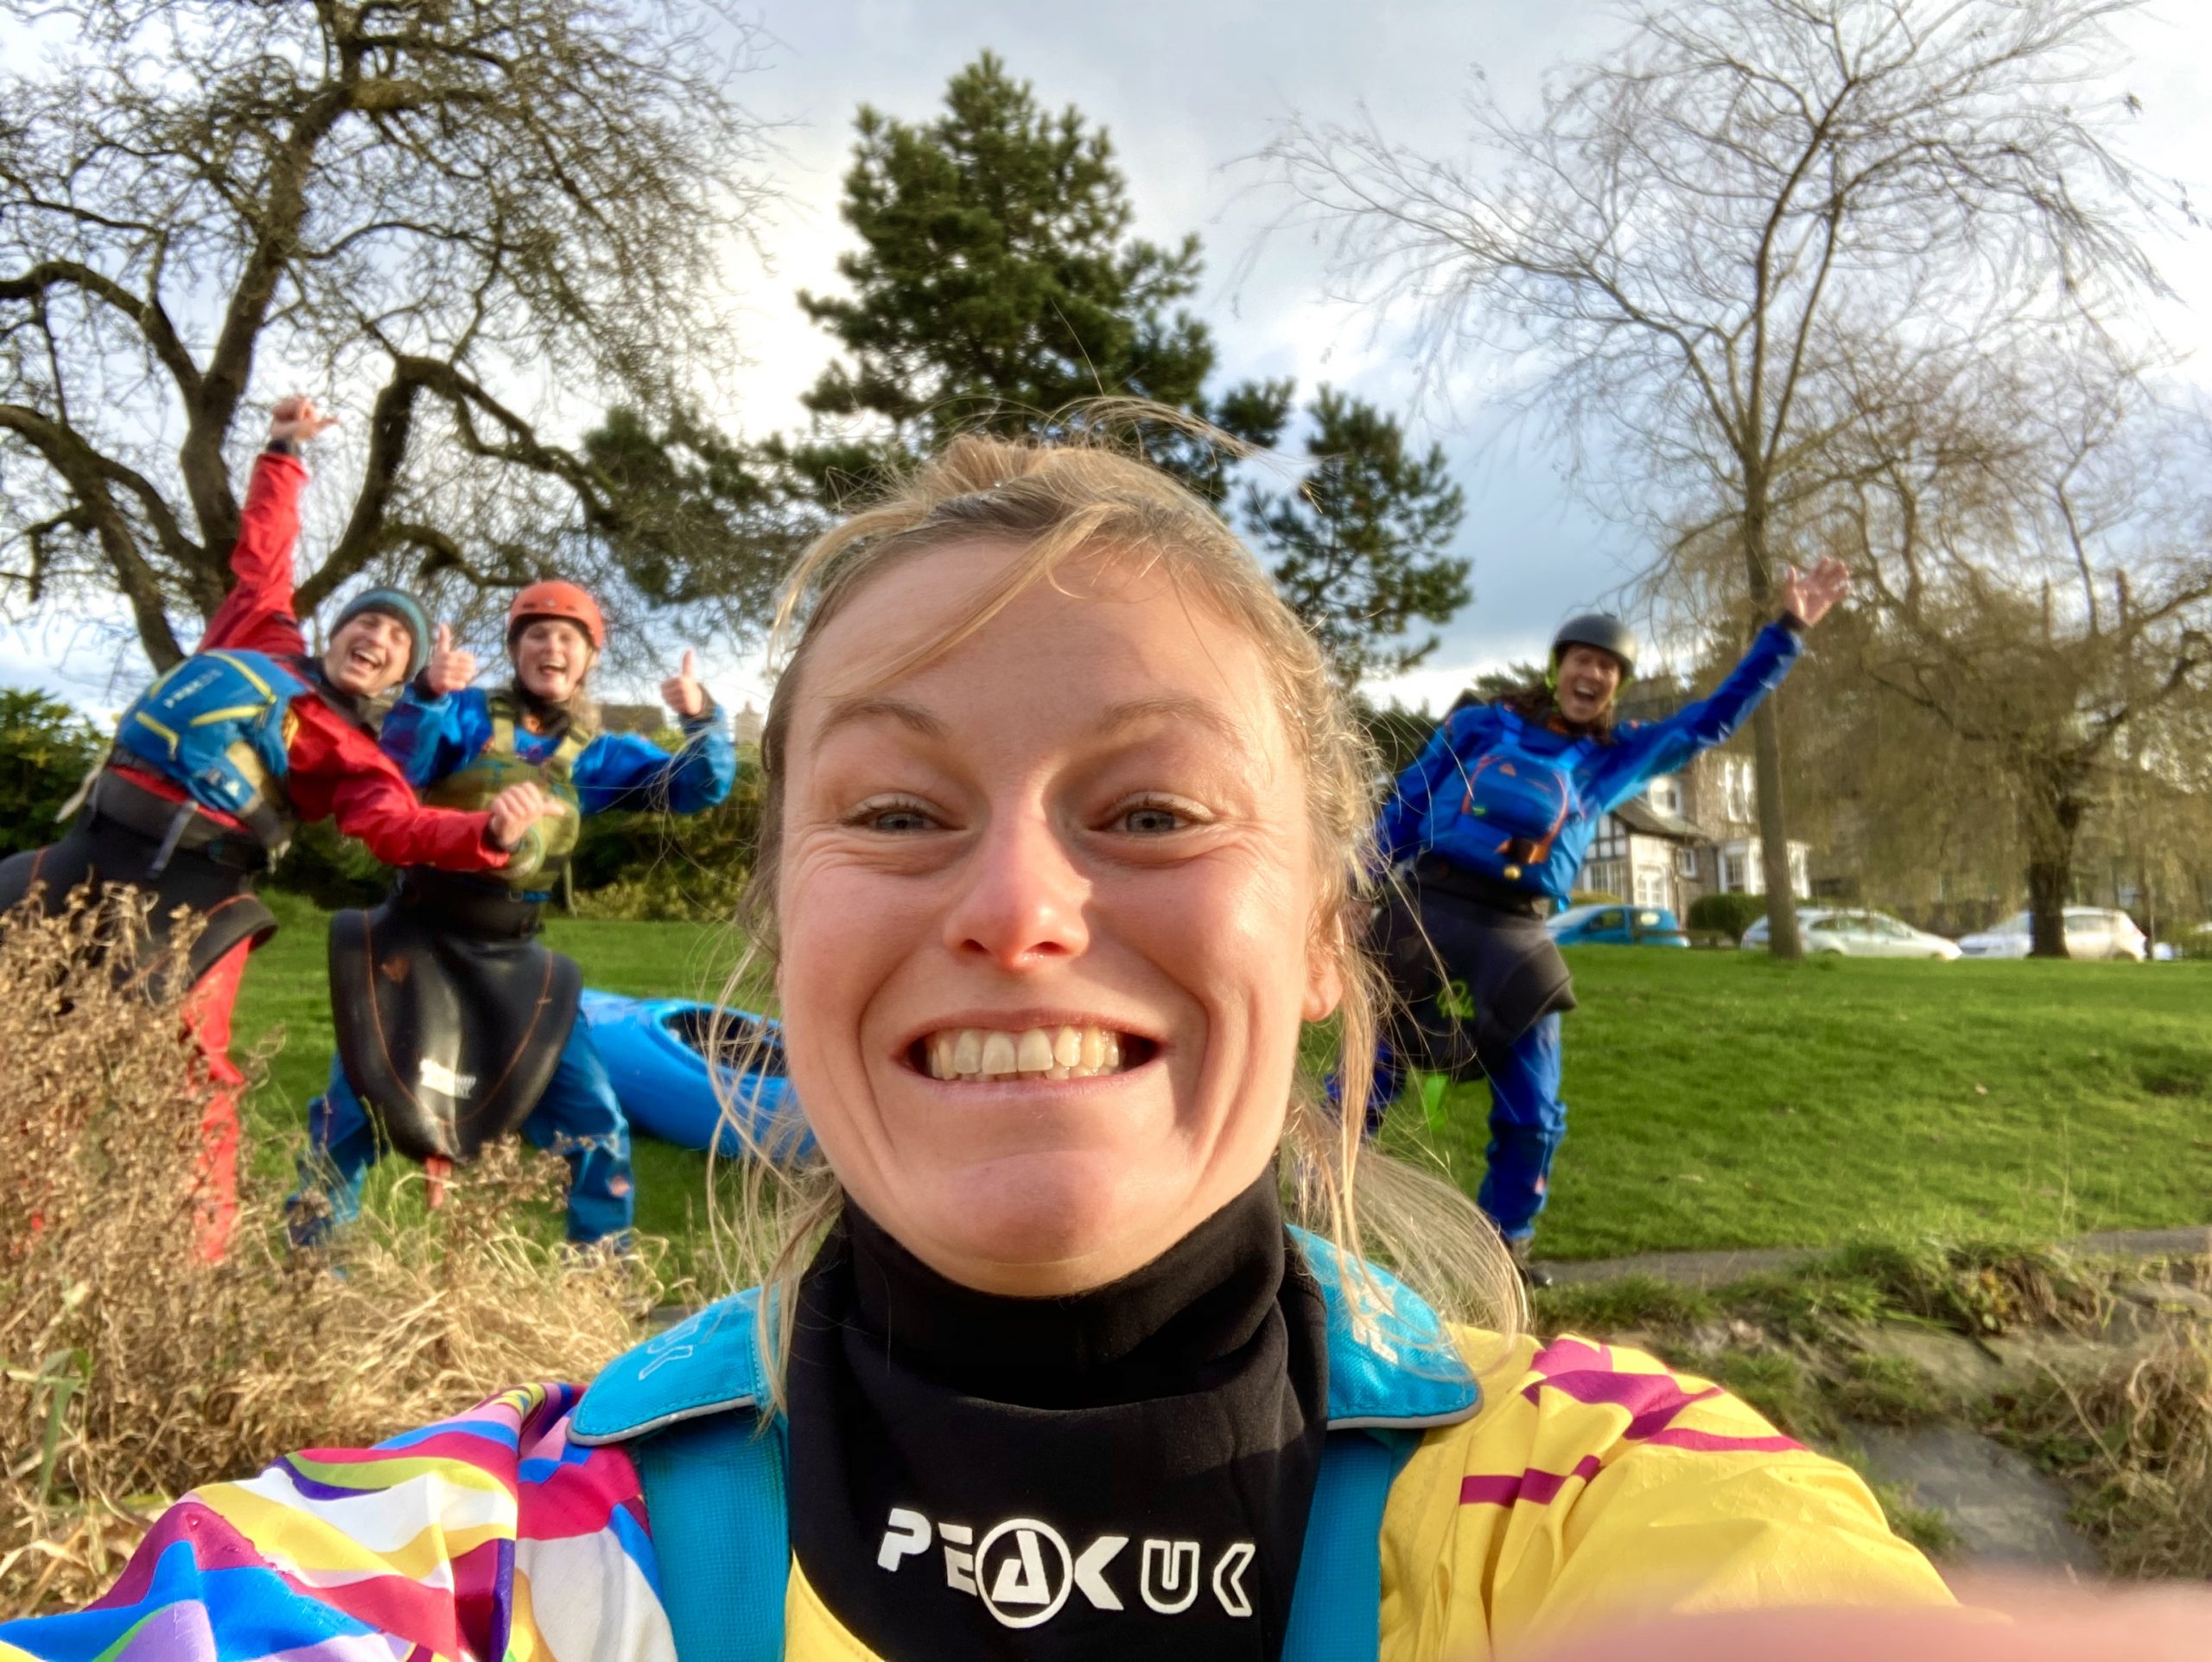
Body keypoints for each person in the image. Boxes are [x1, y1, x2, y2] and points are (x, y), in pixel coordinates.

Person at [0, 430, 1940, 1660]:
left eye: (1155, 809)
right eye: (899, 811)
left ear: (1325, 927)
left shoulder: (1608, 1504)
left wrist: (1768, 644)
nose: (1015, 906)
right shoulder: (501, 1556)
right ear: (781, 907)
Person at [0, 398, 550, 1255]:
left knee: (191, 1076)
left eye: (394, 642)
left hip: (191, 892)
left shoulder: (356, 753)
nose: (374, 635)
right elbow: (265, 547)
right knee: (35, 1043)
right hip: (88, 851)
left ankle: (197, 1259)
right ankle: (21, 1235)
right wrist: (285, 452)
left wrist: (488, 833)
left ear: (393, 679)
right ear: (335, 634)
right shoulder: (257, 632)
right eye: (365, 621)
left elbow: (399, 829)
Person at [1357, 570, 1849, 1285]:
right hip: (1429, 906)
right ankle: (1312, 1205)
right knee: (1367, 1072)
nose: (1592, 672)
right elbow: (1408, 803)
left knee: (1535, 1108)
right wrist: (1358, 884)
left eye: (1608, 667)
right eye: (1582, 659)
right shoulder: (1480, 725)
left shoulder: (1612, 759)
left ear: (1616, 686)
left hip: (1518, 931)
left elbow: (1710, 719)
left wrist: (1788, 632)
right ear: (1558, 668)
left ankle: (1504, 1246)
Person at [287, 583, 735, 1251]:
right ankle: (312, 1266)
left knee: (593, 1120)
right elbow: (400, 766)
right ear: (515, 651)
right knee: (356, 1104)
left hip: (512, 955)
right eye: (535, 635)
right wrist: (429, 694)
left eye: (567, 639)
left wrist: (705, 721)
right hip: (418, 935)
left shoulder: (600, 755)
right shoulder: (465, 715)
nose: (550, 647)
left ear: (587, 661)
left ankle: (600, 1273)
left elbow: (697, 786)